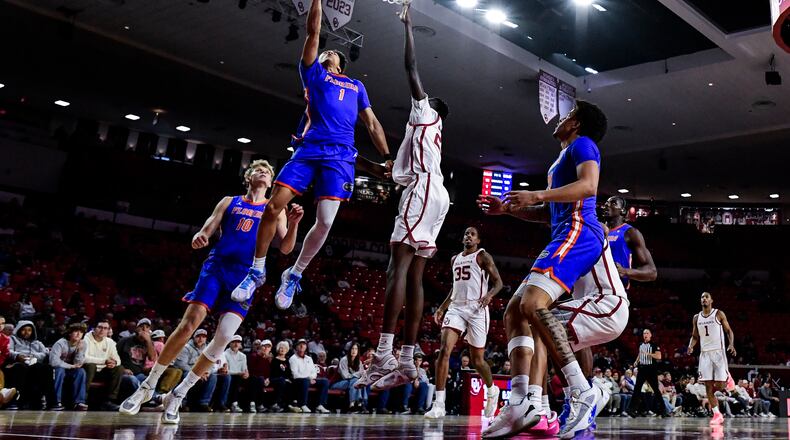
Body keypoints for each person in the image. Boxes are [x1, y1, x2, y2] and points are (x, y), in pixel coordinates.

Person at [232, 0, 392, 310]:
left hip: (341, 154)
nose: (327, 52)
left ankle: (294, 274)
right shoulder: (314, 75)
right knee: (273, 206)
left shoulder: (357, 86)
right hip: (310, 148)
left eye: (332, 53)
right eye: (324, 52)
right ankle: (256, 270)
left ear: (341, 64)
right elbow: (314, 30)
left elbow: (372, 123)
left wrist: (386, 156)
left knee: (326, 221)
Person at [120, 160, 303, 424]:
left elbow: (285, 248)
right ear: (248, 176)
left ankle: (179, 394)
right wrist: (201, 236)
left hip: (246, 276)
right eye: (258, 169)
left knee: (224, 337)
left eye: (268, 171)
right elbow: (208, 227)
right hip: (217, 268)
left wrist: (295, 223)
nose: (263, 172)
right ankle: (148, 386)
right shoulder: (229, 201)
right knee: (188, 325)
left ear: (273, 181)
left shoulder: (275, 208)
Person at [355, 7, 450, 395]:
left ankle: (383, 353)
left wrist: (408, 26)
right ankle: (408, 358)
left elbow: (411, 68)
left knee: (397, 268)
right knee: (413, 275)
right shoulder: (422, 142)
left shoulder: (426, 114)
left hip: (425, 191)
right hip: (433, 194)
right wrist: (347, 155)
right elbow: (384, 173)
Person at [426, 226, 503, 419]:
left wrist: (490, 296)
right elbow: (455, 288)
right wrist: (443, 308)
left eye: (472, 234)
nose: (468, 236)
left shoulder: (483, 256)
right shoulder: (455, 259)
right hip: (457, 308)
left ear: (478, 240)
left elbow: (498, 282)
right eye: (466, 233)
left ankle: (492, 390)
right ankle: (439, 405)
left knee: (477, 361)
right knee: (444, 350)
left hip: (477, 309)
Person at [688, 292, 736, 425]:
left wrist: (731, 344)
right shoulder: (696, 318)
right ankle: (717, 414)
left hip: (718, 353)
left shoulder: (718, 314)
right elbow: (695, 336)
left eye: (706, 297)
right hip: (704, 354)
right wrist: (691, 346)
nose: (704, 299)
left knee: (720, 386)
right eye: (702, 297)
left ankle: (728, 377)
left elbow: (729, 331)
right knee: (708, 386)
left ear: (711, 300)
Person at [5, 320, 53, 410]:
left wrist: (32, 356)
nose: (27, 332)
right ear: (18, 329)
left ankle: (50, 402)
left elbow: (44, 353)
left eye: (29, 330)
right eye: (24, 329)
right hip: (18, 362)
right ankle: (14, 401)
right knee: (20, 368)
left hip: (33, 363)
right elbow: (9, 351)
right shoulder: (12, 339)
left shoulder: (37, 342)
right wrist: (18, 355)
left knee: (47, 368)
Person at [83, 320, 124, 411]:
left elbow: (118, 360)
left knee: (119, 368)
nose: (102, 330)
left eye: (105, 328)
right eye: (100, 327)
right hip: (87, 370)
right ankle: (83, 399)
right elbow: (84, 358)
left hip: (103, 371)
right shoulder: (86, 339)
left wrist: (113, 363)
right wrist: (104, 361)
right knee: (91, 366)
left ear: (108, 330)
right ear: (94, 329)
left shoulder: (110, 342)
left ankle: (109, 401)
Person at [625, 329, 665, 417]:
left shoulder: (654, 345)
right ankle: (631, 409)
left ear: (650, 335)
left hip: (651, 369)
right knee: (637, 389)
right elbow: (640, 353)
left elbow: (659, 356)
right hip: (642, 369)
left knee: (656, 390)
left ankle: (663, 410)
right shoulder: (641, 344)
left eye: (647, 333)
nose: (645, 334)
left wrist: (648, 354)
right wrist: (636, 361)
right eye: (644, 333)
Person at [49, 323, 88, 411]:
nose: (78, 334)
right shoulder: (60, 343)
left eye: (81, 332)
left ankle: (79, 402)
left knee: (81, 371)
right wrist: (70, 366)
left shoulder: (83, 344)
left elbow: (78, 364)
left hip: (71, 369)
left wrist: (80, 351)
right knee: (60, 370)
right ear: (70, 333)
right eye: (76, 331)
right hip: (55, 369)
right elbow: (54, 362)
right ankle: (56, 401)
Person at [289, 339, 330, 413]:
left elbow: (314, 372)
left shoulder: (309, 358)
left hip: (309, 379)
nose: (302, 346)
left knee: (325, 381)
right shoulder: (293, 358)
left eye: (304, 344)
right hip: (298, 381)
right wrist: (308, 378)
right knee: (305, 381)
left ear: (306, 347)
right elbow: (295, 374)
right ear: (296, 347)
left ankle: (320, 405)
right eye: (300, 344)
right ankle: (303, 404)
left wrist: (311, 378)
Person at [117, 318, 157, 391]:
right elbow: (113, 358)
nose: (144, 329)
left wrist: (148, 341)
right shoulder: (125, 340)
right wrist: (123, 369)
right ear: (136, 329)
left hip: (139, 374)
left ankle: (155, 398)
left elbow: (152, 358)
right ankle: (153, 398)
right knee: (133, 380)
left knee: (149, 381)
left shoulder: (149, 344)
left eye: (147, 327)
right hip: (125, 373)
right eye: (141, 326)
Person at [330, 342, 365, 412]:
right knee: (355, 381)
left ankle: (352, 404)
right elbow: (345, 376)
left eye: (356, 349)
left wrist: (356, 376)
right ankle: (359, 402)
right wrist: (356, 375)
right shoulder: (344, 360)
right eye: (352, 349)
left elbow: (362, 374)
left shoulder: (359, 362)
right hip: (337, 383)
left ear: (358, 351)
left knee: (355, 382)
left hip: (350, 384)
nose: (354, 351)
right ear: (349, 350)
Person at [225, 335, 253, 413]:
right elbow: (226, 371)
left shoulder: (243, 356)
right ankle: (234, 403)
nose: (236, 344)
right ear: (229, 343)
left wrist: (246, 374)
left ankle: (250, 404)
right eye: (234, 342)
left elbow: (245, 369)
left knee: (252, 379)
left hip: (240, 376)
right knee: (235, 378)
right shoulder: (225, 354)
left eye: (238, 342)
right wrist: (239, 373)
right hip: (229, 376)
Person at [247, 339, 272, 413]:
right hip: (253, 377)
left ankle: (260, 404)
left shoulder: (269, 359)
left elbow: (268, 372)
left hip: (263, 379)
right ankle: (254, 403)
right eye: (264, 346)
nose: (266, 348)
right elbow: (252, 369)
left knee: (261, 379)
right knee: (258, 379)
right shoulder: (253, 356)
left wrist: (267, 378)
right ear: (261, 347)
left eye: (268, 347)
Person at [269, 341, 291, 413]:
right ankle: (275, 404)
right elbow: (274, 372)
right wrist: (284, 378)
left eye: (284, 348)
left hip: (284, 380)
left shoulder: (287, 361)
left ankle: (288, 405)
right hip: (274, 379)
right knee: (282, 381)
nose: (282, 349)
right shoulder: (274, 360)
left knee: (291, 383)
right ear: (278, 349)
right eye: (281, 348)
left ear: (287, 350)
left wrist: (288, 379)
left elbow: (288, 372)